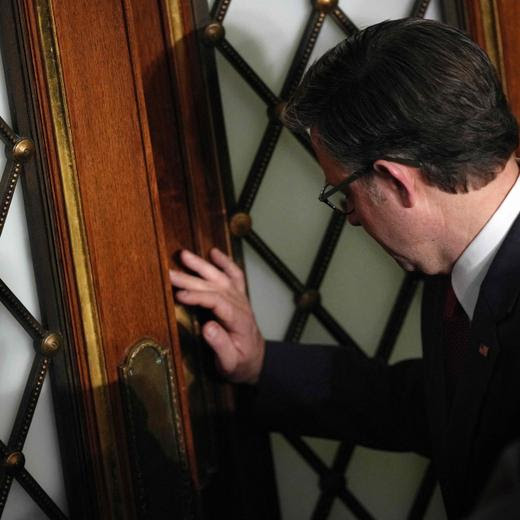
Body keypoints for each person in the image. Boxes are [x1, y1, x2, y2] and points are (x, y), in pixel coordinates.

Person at [169, 18, 520, 519]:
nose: (352, 218)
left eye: (345, 194)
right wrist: (260, 363)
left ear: (395, 182)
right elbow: (438, 410)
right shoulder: (457, 271)